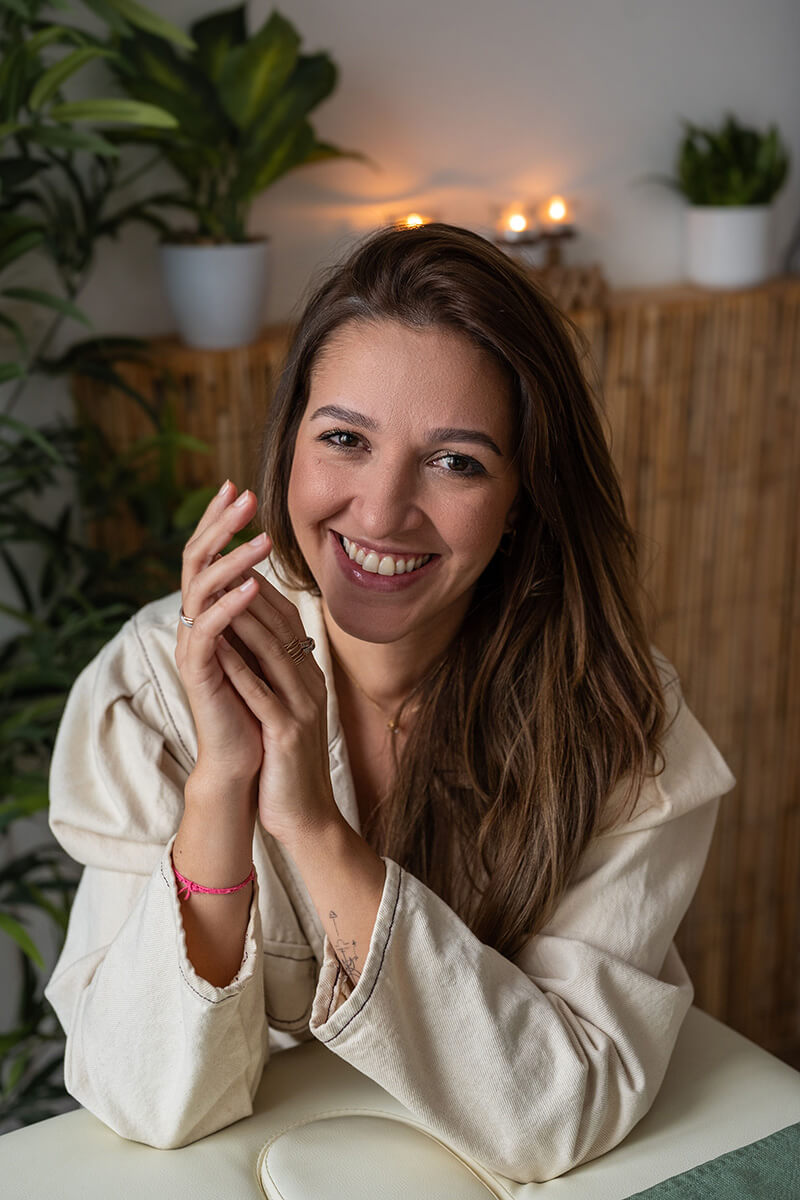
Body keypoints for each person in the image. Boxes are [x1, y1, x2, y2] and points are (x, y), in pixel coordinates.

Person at [45, 223, 736, 1182]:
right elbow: (141, 1096)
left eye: (456, 462)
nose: (378, 513)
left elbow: (555, 1111)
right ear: (287, 443)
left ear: (524, 496)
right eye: (344, 440)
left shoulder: (620, 723)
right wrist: (220, 788)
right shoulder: (159, 683)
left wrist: (313, 830)